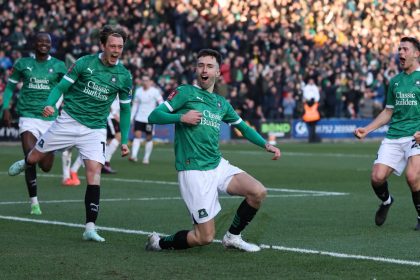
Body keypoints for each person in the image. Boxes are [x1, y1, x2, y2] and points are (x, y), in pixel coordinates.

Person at [145, 49, 280, 252]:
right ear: (196, 70)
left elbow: (242, 128)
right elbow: (154, 115)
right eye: (200, 65)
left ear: (218, 73)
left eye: (209, 66)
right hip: (194, 170)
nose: (204, 70)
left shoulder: (221, 103)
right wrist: (181, 117)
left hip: (216, 164)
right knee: (204, 237)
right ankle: (159, 243)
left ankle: (233, 237)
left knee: (257, 192)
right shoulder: (185, 92)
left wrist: (265, 144)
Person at [8, 25, 133, 242]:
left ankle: (90, 227)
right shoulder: (84, 63)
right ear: (102, 45)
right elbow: (59, 89)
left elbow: (125, 109)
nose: (116, 50)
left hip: (95, 129)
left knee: (94, 173)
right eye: (112, 46)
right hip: (68, 121)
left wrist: (125, 139)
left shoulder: (124, 76)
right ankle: (26, 161)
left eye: (120, 47)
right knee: (37, 158)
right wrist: (50, 105)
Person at [354, 37, 420, 229]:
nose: (400, 53)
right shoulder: (395, 82)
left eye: (405, 49)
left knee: (412, 176)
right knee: (377, 178)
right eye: (399, 49)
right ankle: (387, 201)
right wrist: (367, 129)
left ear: (416, 54)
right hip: (394, 135)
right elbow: (388, 111)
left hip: (415, 136)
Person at [1, 32, 67, 215]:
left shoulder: (59, 66)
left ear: (51, 45)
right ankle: (34, 203)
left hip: (50, 121)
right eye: (40, 41)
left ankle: (29, 161)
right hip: (28, 116)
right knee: (30, 157)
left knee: (46, 166)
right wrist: (5, 107)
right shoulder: (23, 64)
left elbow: (67, 88)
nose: (44, 44)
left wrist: (61, 106)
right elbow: (10, 87)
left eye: (47, 42)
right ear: (34, 44)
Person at [129, 75, 163, 164]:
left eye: (146, 80)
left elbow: (161, 102)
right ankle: (134, 156)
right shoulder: (138, 91)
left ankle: (146, 158)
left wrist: (159, 113)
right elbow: (135, 105)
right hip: (139, 118)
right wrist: (131, 117)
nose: (145, 82)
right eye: (143, 80)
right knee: (137, 135)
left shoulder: (155, 91)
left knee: (149, 137)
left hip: (150, 119)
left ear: (150, 82)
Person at [102, 97, 121, 173]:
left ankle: (104, 163)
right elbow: (107, 100)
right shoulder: (113, 86)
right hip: (110, 117)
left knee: (109, 140)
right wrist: (114, 114)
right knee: (114, 139)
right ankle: (105, 163)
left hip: (112, 116)